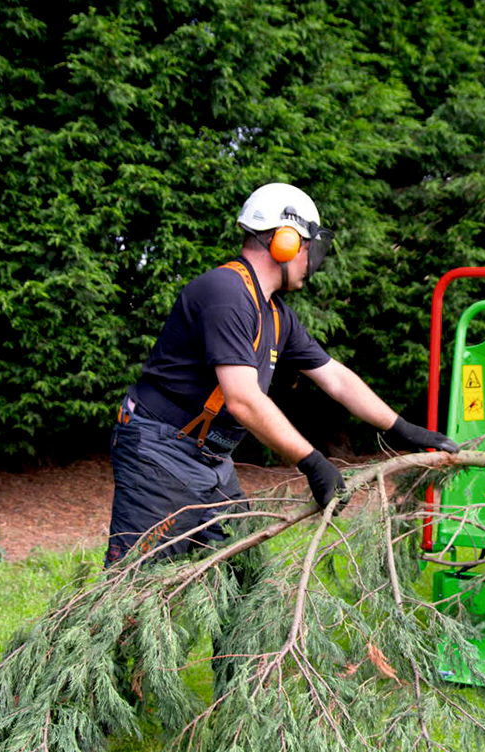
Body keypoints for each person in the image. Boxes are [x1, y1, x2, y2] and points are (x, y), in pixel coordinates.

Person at [105, 183, 457, 565]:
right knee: (138, 585)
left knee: (243, 581)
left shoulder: (274, 313)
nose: (312, 261)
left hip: (212, 459)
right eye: (309, 248)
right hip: (161, 451)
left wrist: (402, 429)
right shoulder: (226, 292)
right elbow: (243, 399)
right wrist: (312, 460)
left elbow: (334, 377)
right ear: (285, 242)